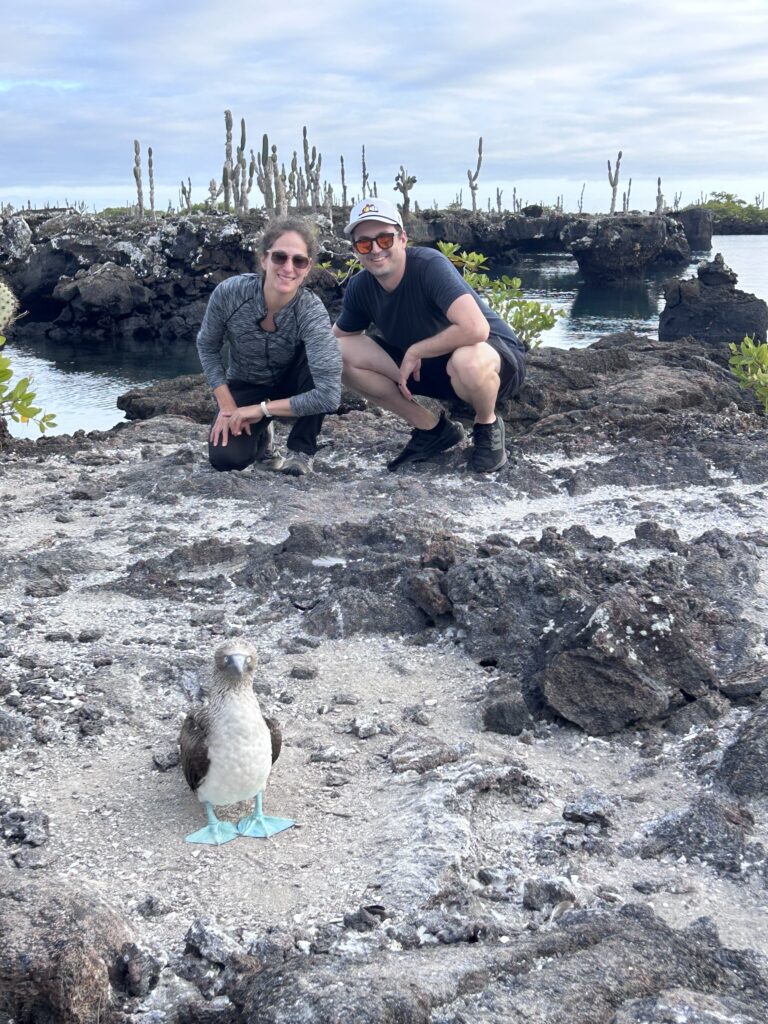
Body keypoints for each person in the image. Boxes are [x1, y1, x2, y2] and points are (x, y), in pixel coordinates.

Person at [332, 198, 526, 473]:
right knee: (336, 353)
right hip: (428, 371)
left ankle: (487, 425)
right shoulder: (360, 286)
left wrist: (416, 351)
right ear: (355, 250)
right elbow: (335, 339)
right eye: (364, 244)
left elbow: (476, 329)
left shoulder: (428, 265)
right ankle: (432, 430)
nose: (375, 249)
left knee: (467, 361)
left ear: (402, 239)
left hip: (490, 361)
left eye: (384, 239)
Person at [196, 216, 342, 476]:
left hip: (292, 383)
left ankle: (301, 451)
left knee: (320, 362)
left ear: (307, 267)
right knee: (226, 458)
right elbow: (207, 346)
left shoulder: (310, 310)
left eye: (299, 260)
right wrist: (227, 406)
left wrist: (262, 409)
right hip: (246, 383)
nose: (288, 267)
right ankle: (264, 441)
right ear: (264, 259)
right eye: (279, 257)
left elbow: (329, 395)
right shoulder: (230, 294)